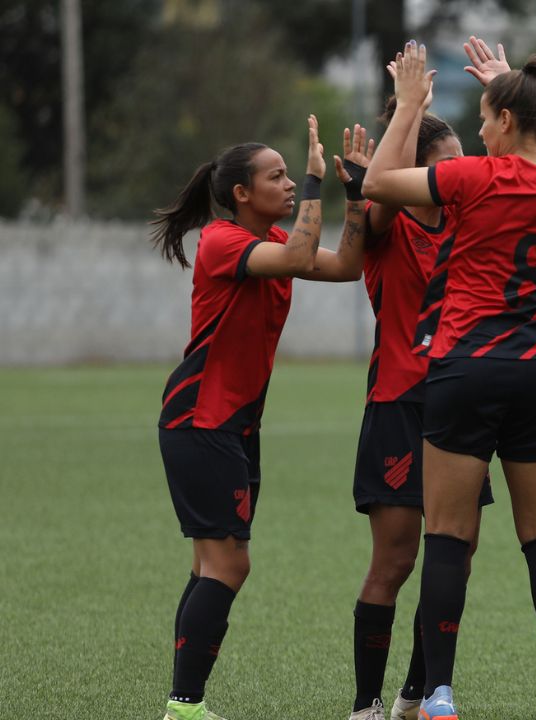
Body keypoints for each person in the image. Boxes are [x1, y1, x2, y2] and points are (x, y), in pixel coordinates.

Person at [361, 41, 536, 720]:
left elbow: (375, 184)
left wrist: (407, 108)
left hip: (465, 368)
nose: (482, 133)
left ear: (508, 123)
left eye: (489, 119)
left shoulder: (470, 179)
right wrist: (510, 87)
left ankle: (437, 694)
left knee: (448, 537)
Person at [152, 116, 367, 720]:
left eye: (289, 176)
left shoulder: (268, 248)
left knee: (210, 564)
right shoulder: (223, 241)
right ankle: (185, 706)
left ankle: (184, 705)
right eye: (277, 177)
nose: (290, 184)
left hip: (234, 425)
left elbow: (348, 265)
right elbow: (302, 254)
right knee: (228, 563)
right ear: (242, 194)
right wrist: (319, 182)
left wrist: (354, 191)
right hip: (201, 418)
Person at [343, 101, 496, 719]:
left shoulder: (470, 223)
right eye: (448, 163)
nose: (461, 172)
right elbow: (374, 201)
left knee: (456, 555)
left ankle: (417, 693)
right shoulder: (389, 220)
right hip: (400, 404)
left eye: (465, 159)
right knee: (398, 558)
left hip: (461, 403)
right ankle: (366, 704)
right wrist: (405, 114)